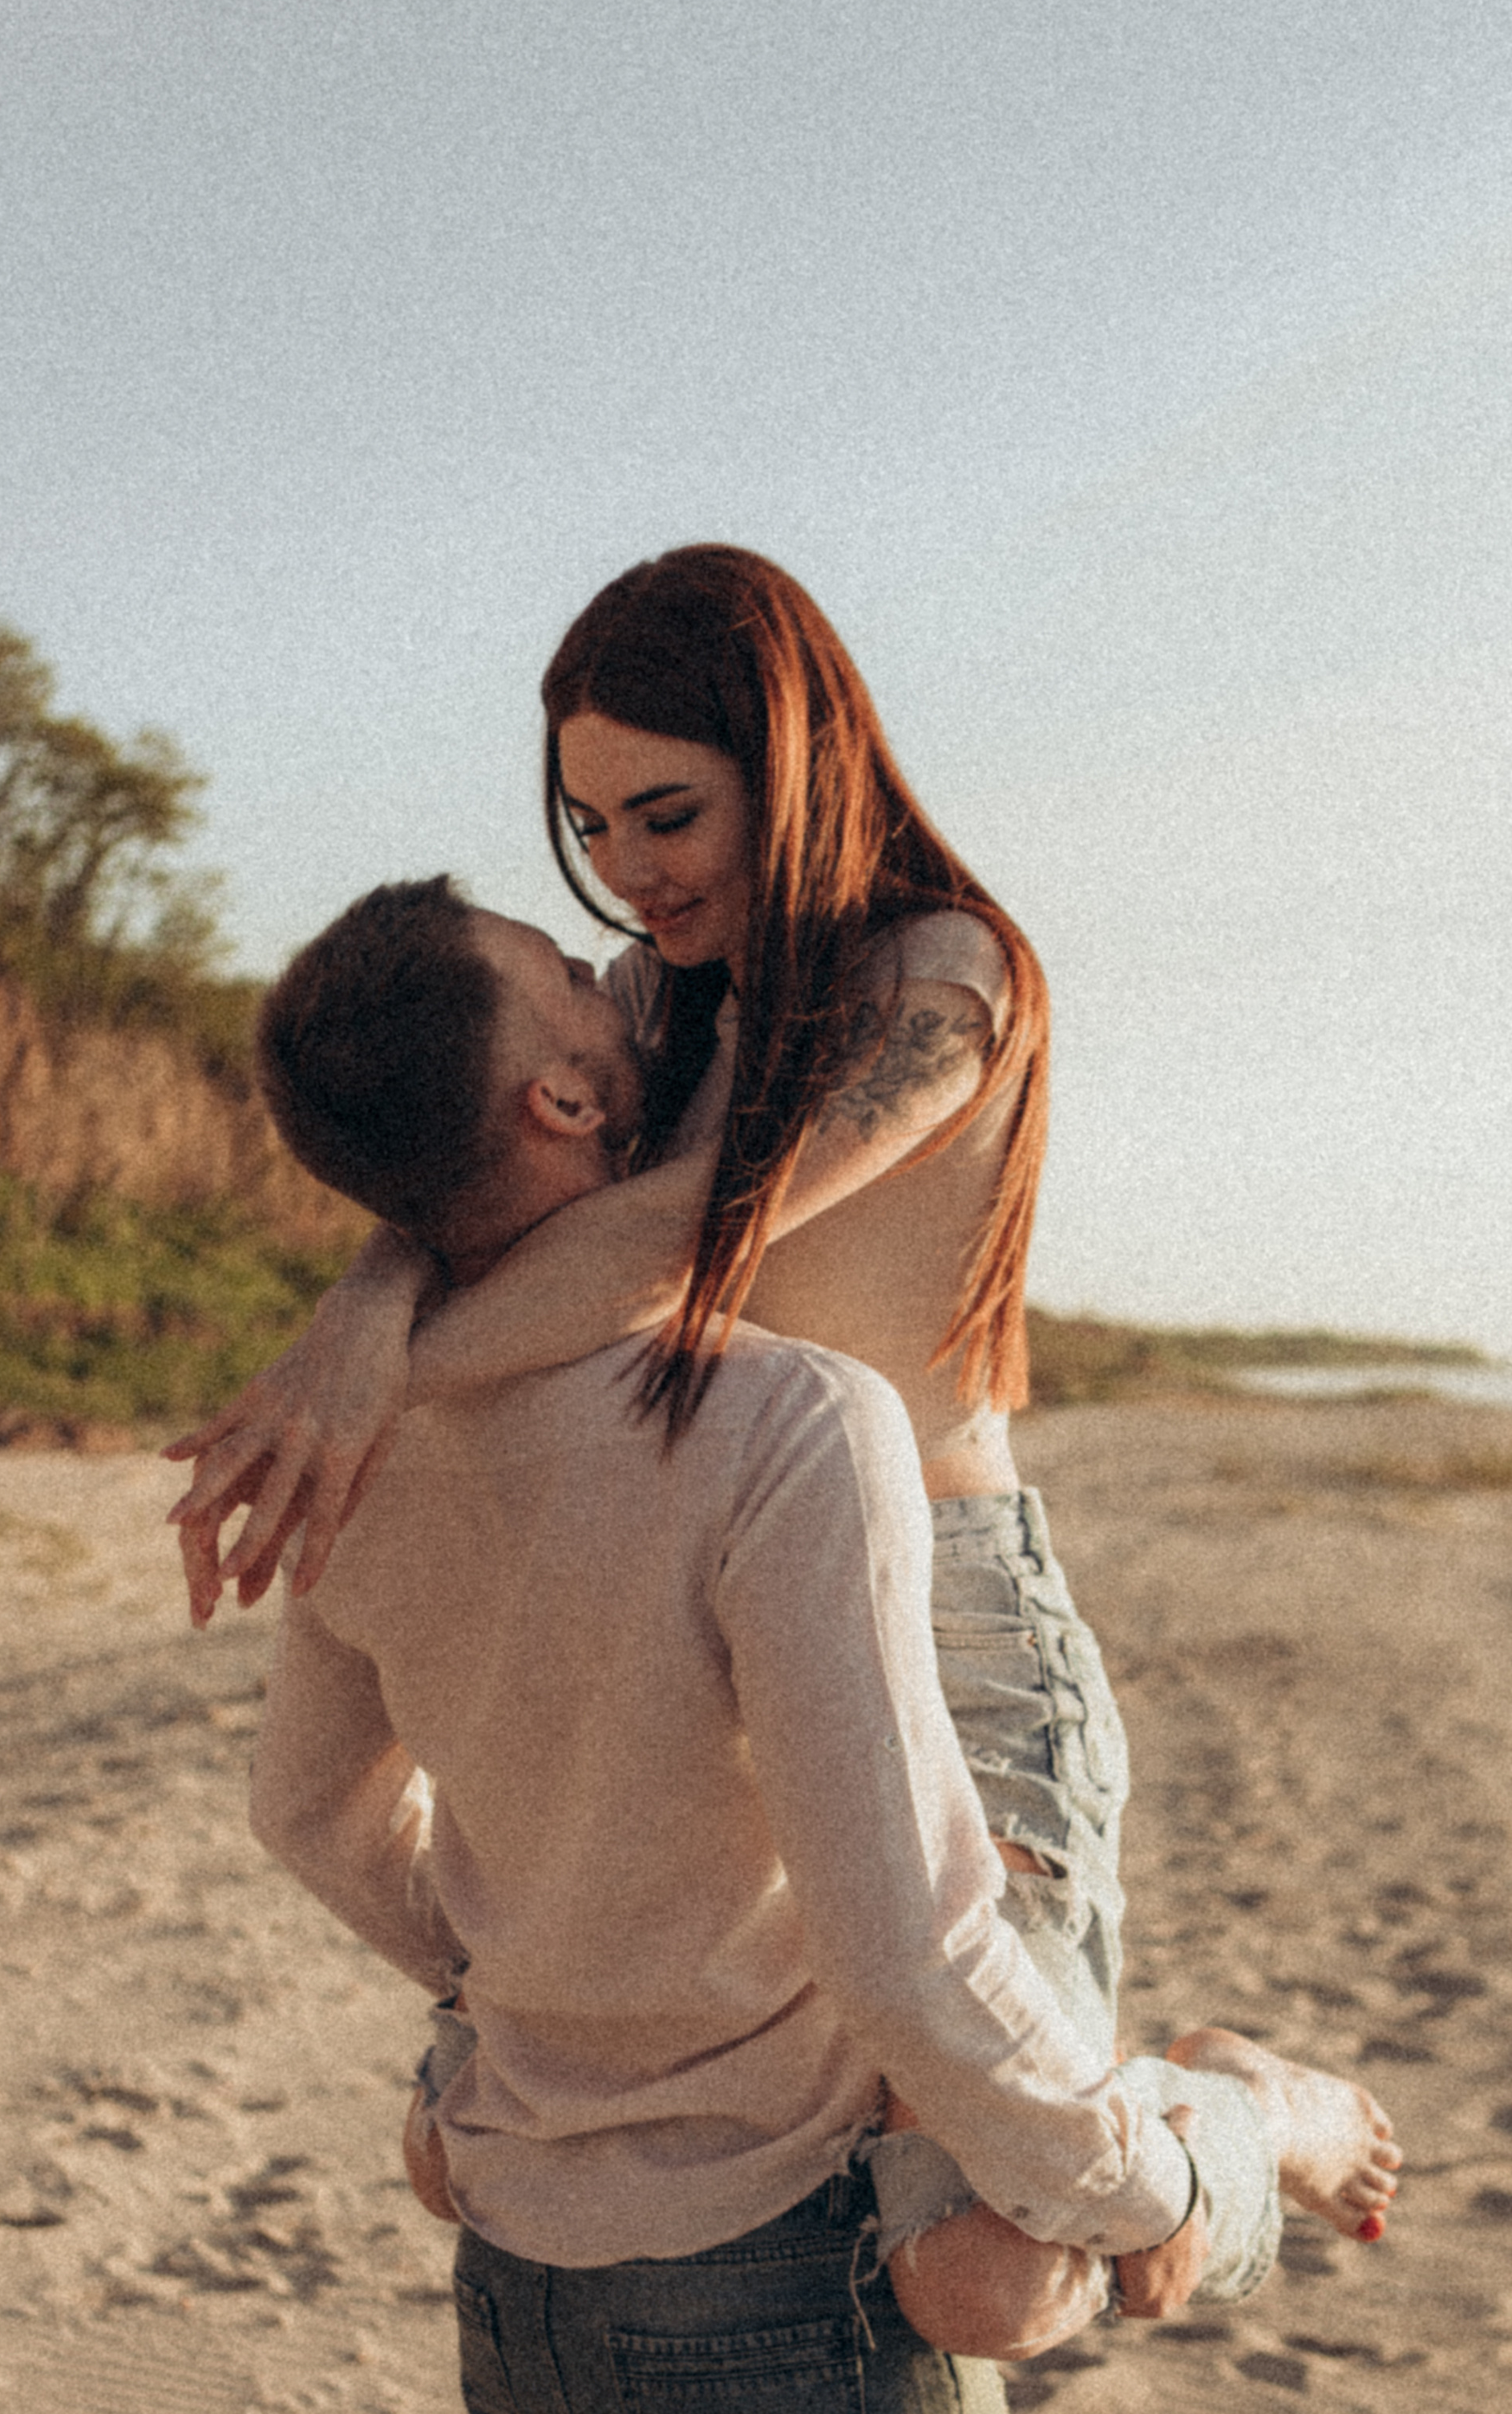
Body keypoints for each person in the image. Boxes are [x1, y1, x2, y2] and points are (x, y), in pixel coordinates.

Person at [168, 545, 1398, 2298]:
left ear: (793, 758)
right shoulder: (655, 1004)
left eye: (663, 815)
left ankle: (1245, 2111)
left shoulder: (938, 983)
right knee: (465, 2161)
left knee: (988, 2274)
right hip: (715, 1602)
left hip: (952, 1620)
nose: (624, 875)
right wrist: (362, 1302)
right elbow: (477, 1174)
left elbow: (668, 1246)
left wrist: (375, 1370)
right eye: (588, 829)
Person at [245, 872, 1223, 2414]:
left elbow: (305, 1813)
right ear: (562, 1107)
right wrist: (1147, 2191)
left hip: (525, 2280)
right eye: (561, 985)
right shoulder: (792, 1424)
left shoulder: (361, 1455)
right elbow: (912, 1954)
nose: (612, 984)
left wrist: (508, 1972)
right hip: (781, 2288)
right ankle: (1252, 2126)